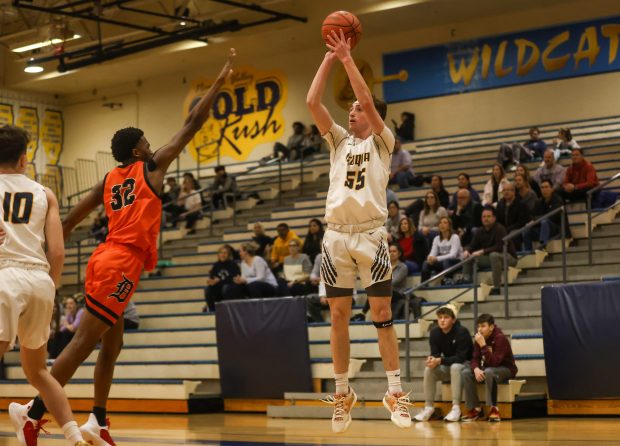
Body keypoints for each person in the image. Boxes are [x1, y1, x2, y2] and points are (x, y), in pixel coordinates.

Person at [12, 49, 236, 446]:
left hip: (108, 257)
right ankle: (33, 413)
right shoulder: (153, 167)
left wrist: (36, 245)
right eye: (147, 142)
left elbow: (64, 222)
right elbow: (192, 123)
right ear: (138, 150)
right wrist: (219, 81)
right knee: (83, 343)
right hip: (120, 262)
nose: (153, 145)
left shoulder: (108, 180)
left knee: (113, 343)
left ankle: (97, 419)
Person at [307, 30, 411, 432]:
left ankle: (395, 391)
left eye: (357, 109)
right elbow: (312, 102)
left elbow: (367, 98)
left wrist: (349, 57)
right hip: (335, 238)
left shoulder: (384, 143)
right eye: (349, 108)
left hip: (370, 236)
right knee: (338, 316)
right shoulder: (337, 141)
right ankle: (342, 392)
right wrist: (330, 59)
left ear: (374, 117)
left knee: (382, 313)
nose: (352, 111)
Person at [0, 125, 89, 446]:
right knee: (38, 372)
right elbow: (58, 251)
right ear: (24, 159)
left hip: (4, 275)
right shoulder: (45, 193)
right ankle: (74, 435)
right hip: (39, 279)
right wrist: (50, 286)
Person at [414, 304, 473, 422]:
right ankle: (429, 408)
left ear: (453, 320)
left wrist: (440, 360)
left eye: (446, 317)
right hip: (449, 365)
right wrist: (432, 360)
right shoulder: (435, 333)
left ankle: (456, 408)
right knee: (429, 369)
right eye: (440, 317)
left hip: (468, 365)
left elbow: (461, 358)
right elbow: (435, 354)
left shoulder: (462, 332)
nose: (442, 320)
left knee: (456, 367)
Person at [461, 314, 518, 422]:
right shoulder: (479, 338)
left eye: (483, 326)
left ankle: (493, 408)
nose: (480, 329)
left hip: (506, 369)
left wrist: (483, 345)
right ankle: (475, 409)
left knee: (489, 371)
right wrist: (476, 369)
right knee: (465, 372)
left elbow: (495, 362)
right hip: (489, 368)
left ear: (491, 327)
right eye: (478, 326)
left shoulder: (500, 338)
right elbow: (474, 359)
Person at [461, 206, 517, 295]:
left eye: (488, 216)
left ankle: (497, 287)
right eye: (484, 217)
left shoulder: (500, 228)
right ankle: (466, 282)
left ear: (494, 218)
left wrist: (482, 251)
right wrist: (467, 250)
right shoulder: (479, 231)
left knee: (493, 255)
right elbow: (472, 245)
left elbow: (500, 247)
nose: (486, 219)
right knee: (469, 257)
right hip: (491, 258)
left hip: (509, 258)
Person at [351, 243, 412, 321]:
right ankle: (364, 314)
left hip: (398, 293)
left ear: (399, 253)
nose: (392, 253)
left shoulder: (403, 267)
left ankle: (363, 313)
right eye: (390, 251)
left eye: (394, 251)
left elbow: (394, 282)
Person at [523, 180, 566, 251]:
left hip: (555, 229)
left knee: (545, 222)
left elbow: (552, 216)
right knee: (526, 230)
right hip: (541, 228)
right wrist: (534, 220)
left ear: (552, 189)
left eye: (546, 187)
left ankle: (542, 247)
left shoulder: (558, 200)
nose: (544, 190)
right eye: (542, 188)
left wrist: (536, 220)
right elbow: (532, 216)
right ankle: (528, 252)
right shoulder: (538, 202)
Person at [421, 217, 462, 282]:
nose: (442, 224)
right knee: (425, 263)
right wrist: (430, 258)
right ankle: (423, 285)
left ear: (449, 226)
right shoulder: (436, 239)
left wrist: (436, 258)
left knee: (447, 261)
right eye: (440, 223)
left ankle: (448, 281)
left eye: (445, 223)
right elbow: (433, 252)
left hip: (456, 262)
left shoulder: (455, 237)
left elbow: (453, 255)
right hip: (443, 262)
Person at [203, 245, 242, 312]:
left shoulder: (233, 264)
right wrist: (211, 281)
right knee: (207, 288)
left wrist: (220, 281)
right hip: (219, 288)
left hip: (230, 288)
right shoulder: (216, 265)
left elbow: (234, 280)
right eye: (221, 252)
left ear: (229, 255)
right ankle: (212, 310)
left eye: (225, 253)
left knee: (225, 288)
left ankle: (229, 310)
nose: (222, 254)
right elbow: (212, 277)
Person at [496, 182, 530, 251]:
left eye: (508, 190)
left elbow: (521, 222)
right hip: (504, 229)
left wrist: (507, 229)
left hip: (517, 229)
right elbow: (497, 220)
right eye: (504, 190)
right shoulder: (500, 205)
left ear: (514, 191)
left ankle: (515, 255)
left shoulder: (521, 204)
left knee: (513, 234)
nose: (506, 192)